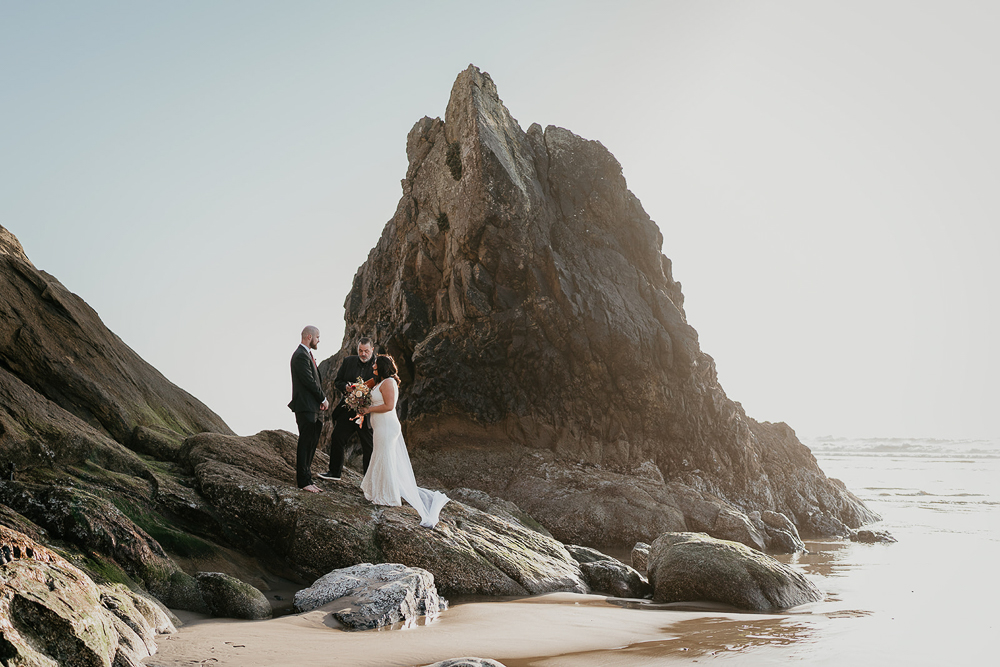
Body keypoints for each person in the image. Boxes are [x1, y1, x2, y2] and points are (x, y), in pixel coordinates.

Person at [358, 355, 449, 528]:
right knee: (380, 455)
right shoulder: (379, 382)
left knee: (383, 456)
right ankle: (378, 491)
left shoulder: (389, 382)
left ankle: (388, 496)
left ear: (383, 366)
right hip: (380, 426)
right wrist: (357, 395)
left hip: (387, 426)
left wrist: (368, 409)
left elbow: (389, 406)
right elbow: (363, 388)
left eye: (376, 365)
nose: (373, 366)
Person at [320, 338, 376, 480]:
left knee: (368, 446)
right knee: (337, 437)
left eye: (366, 351)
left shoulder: (378, 365)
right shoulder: (348, 361)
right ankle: (334, 473)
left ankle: (368, 481)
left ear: (372, 350)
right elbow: (337, 381)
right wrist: (345, 387)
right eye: (360, 351)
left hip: (367, 413)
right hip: (348, 410)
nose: (363, 354)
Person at [288, 326, 329, 493]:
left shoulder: (307, 355)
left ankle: (308, 478)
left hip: (314, 407)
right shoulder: (300, 356)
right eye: (317, 337)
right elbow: (309, 381)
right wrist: (323, 398)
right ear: (309, 336)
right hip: (305, 407)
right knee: (305, 443)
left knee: (312, 443)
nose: (319, 340)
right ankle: (303, 481)